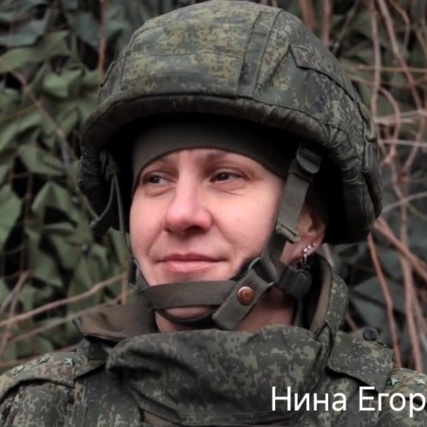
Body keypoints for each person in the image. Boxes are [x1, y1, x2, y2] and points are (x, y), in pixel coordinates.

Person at [1, 1, 427, 425]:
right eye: (156, 179)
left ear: (308, 222)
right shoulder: (39, 410)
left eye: (225, 176)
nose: (180, 214)